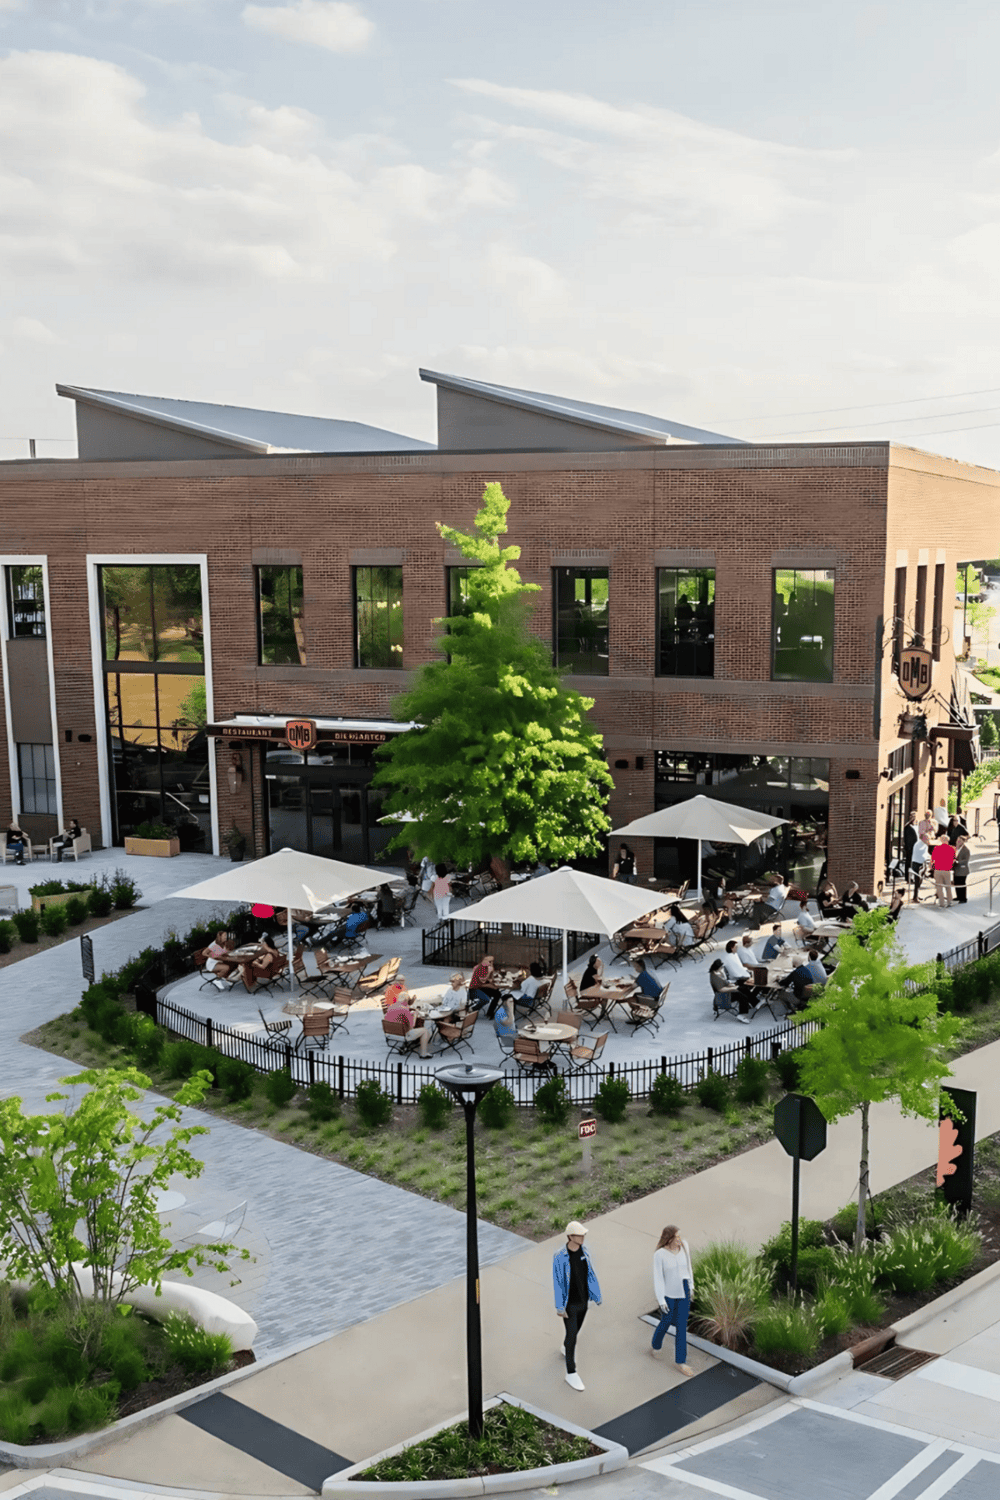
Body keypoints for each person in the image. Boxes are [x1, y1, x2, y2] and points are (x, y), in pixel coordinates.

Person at [552, 1220, 602, 1391]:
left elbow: (590, 1274)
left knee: (575, 1331)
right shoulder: (560, 1256)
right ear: (570, 1236)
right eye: (579, 1235)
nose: (583, 1237)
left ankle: (566, 1345)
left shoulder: (584, 1251)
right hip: (569, 1304)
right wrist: (560, 1306)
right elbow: (558, 1282)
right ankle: (571, 1373)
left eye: (583, 1235)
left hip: (583, 1301)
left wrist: (596, 1294)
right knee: (572, 1336)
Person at [650, 1224, 694, 1376]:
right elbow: (658, 1279)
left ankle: (681, 1362)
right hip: (668, 1292)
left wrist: (691, 1286)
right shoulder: (660, 1255)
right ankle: (656, 1345)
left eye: (680, 1236)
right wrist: (661, 1299)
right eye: (676, 1237)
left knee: (682, 1326)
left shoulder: (685, 1247)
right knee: (667, 1320)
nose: (680, 1240)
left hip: (684, 1289)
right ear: (668, 1239)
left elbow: (689, 1267)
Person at [384, 986, 431, 1059]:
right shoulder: (404, 1009)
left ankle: (407, 1046)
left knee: (423, 1031)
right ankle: (423, 1053)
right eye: (408, 1001)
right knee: (425, 1031)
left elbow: (397, 1018)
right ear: (406, 1000)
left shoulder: (390, 1008)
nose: (408, 1003)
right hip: (403, 1036)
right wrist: (415, 1015)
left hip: (390, 1035)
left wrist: (409, 1014)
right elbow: (411, 1026)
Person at [931, 835, 956, 908]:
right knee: (948, 886)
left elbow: (932, 860)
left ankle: (941, 902)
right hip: (947, 870)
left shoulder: (937, 848)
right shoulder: (952, 849)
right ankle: (949, 901)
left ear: (941, 840)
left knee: (939, 887)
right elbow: (954, 859)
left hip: (938, 869)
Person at [909, 833, 931, 901]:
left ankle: (917, 895)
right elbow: (922, 855)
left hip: (922, 864)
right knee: (917, 881)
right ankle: (915, 897)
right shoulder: (918, 844)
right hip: (917, 864)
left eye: (928, 838)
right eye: (926, 838)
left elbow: (926, 854)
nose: (927, 839)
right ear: (922, 838)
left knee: (920, 881)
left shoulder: (924, 845)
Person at [953, 835, 971, 904]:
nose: (958, 842)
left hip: (962, 870)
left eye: (960, 841)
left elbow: (966, 860)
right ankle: (958, 896)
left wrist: (958, 862)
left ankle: (963, 898)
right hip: (956, 869)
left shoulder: (966, 850)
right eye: (957, 840)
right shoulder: (956, 848)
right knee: (956, 883)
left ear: (963, 842)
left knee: (961, 883)